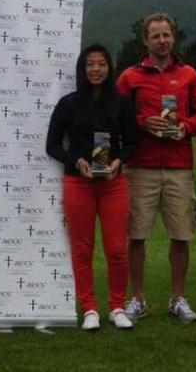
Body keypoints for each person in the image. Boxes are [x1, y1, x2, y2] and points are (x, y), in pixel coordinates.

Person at [116, 13, 196, 323]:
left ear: (174, 37)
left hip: (179, 166)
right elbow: (117, 117)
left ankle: (178, 298)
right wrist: (142, 123)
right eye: (155, 36)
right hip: (140, 166)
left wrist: (186, 127)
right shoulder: (129, 76)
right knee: (136, 235)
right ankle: (138, 299)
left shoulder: (189, 75)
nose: (162, 40)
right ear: (146, 40)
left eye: (166, 35)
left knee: (181, 235)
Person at [47, 44, 139, 331]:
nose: (96, 69)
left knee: (116, 249)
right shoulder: (68, 103)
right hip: (79, 184)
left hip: (113, 185)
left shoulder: (122, 103)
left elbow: (133, 143)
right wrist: (77, 161)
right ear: (82, 69)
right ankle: (89, 308)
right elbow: (52, 145)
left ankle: (116, 306)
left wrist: (118, 163)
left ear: (109, 68)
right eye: (90, 64)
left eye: (101, 63)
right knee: (83, 248)